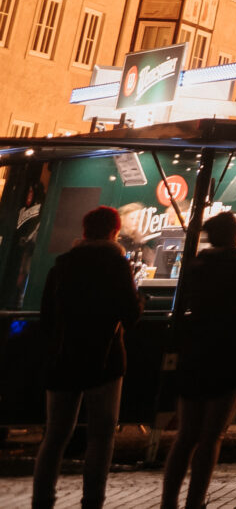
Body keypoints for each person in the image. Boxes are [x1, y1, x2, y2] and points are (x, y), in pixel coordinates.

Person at [33, 205, 139, 509]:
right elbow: (130, 314)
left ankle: (42, 499)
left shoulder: (62, 265)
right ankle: (92, 500)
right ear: (114, 231)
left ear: (84, 231)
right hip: (104, 360)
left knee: (55, 435)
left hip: (64, 359)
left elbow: (47, 318)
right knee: (101, 436)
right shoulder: (118, 265)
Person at [165, 210, 236, 509]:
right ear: (235, 236)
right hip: (231, 355)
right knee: (211, 437)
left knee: (186, 436)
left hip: (196, 354)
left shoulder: (196, 266)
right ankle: (195, 502)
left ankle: (168, 501)